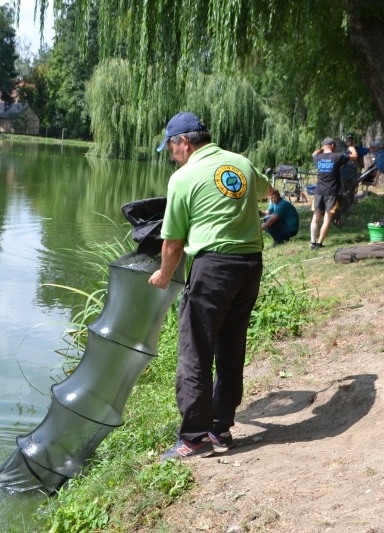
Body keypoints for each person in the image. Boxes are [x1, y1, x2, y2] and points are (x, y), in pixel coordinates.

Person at [148, 111, 273, 460]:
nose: (172, 156)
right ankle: (220, 429)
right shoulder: (242, 163)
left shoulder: (184, 178)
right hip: (249, 266)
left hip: (213, 269)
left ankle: (194, 438)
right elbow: (268, 190)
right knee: (231, 349)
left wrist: (163, 275)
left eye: (171, 148)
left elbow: (173, 244)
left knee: (195, 352)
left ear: (184, 143)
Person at [310, 137, 350, 249]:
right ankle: (319, 243)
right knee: (327, 219)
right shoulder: (338, 156)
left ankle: (312, 243)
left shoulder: (317, 157)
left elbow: (314, 154)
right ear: (332, 146)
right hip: (332, 192)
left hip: (319, 191)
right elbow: (354, 156)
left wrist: (320, 149)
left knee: (315, 218)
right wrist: (351, 148)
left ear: (323, 146)